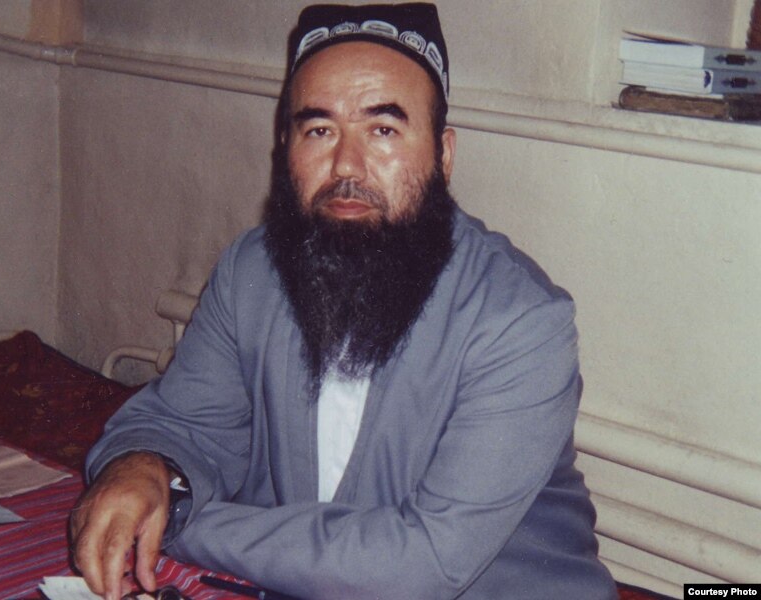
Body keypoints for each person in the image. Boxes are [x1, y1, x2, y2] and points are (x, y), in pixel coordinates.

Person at [70, 4, 618, 599]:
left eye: (383, 129)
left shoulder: (520, 322)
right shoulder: (251, 271)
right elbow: (184, 423)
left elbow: (423, 563)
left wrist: (176, 518)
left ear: (443, 155)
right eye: (320, 130)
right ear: (285, 148)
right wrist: (144, 468)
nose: (346, 166)